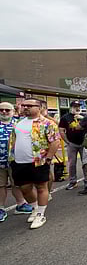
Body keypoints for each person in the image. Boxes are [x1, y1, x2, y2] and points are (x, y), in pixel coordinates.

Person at [9, 98, 60, 229]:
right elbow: (14, 141)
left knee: (41, 187)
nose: (25, 108)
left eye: (29, 106)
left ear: (39, 107)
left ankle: (40, 214)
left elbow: (55, 142)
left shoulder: (47, 123)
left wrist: (48, 158)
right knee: (24, 188)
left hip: (38, 161)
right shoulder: (19, 123)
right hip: (19, 162)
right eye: (24, 105)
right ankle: (35, 208)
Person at [0, 102, 33, 222]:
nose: (4, 112)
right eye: (1, 110)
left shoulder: (18, 123)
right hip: (0, 161)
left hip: (15, 160)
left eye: (7, 110)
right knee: (1, 185)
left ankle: (21, 204)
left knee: (17, 184)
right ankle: (1, 208)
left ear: (12, 111)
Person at [58, 100, 87, 190]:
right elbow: (61, 130)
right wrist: (67, 141)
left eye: (79, 106)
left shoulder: (84, 116)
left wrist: (82, 118)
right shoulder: (65, 118)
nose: (77, 108)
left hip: (83, 143)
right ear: (71, 107)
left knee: (86, 163)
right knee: (72, 163)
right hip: (72, 143)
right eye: (75, 106)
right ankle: (73, 181)